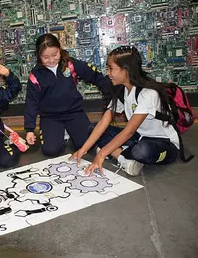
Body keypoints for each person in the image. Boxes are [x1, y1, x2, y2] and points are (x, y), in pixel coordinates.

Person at [70, 46, 179, 176]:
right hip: (139, 137)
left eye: (111, 68)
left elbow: (128, 132)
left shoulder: (148, 94)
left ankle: (118, 152)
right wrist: (83, 149)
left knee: (142, 151)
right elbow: (104, 122)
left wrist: (102, 153)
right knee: (92, 129)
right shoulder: (123, 91)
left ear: (125, 71)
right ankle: (124, 159)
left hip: (163, 143)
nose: (107, 73)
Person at [24, 33, 111, 156]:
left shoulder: (70, 65)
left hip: (74, 112)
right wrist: (29, 130)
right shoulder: (35, 75)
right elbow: (31, 103)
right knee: (51, 150)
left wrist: (110, 91)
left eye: (55, 55)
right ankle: (62, 135)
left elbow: (94, 75)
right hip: (50, 117)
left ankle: (73, 132)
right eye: (46, 57)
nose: (51, 60)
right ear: (39, 56)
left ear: (60, 49)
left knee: (86, 145)